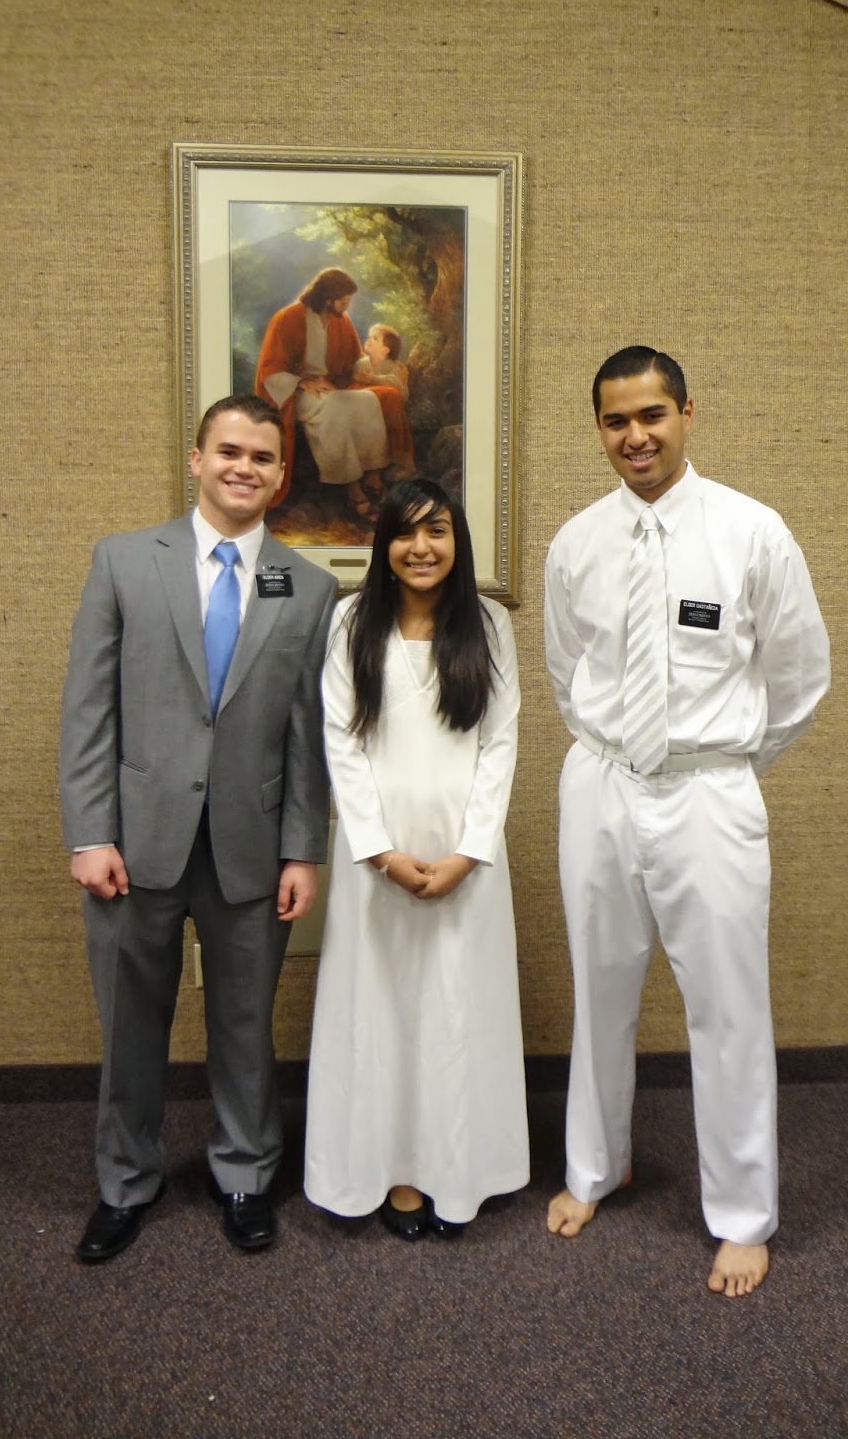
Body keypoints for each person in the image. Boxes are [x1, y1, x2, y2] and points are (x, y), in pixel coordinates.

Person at [543, 345, 830, 1298]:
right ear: (599, 429)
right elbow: (567, 675)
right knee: (600, 990)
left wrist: (723, 766)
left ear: (687, 413)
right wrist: (619, 756)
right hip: (601, 785)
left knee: (728, 1006)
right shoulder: (577, 542)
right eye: (616, 420)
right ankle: (595, 1167)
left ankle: (743, 1217)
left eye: (652, 415)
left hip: (709, 790)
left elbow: (799, 680)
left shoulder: (752, 532)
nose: (636, 436)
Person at [60, 392, 337, 1263]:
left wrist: (304, 850)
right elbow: (89, 711)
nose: (243, 468)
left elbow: (308, 737)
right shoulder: (122, 562)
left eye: (262, 457)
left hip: (251, 849)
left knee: (246, 1026)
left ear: (281, 475)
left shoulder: (311, 587)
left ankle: (245, 1174)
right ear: (197, 459)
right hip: (133, 845)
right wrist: (90, 834)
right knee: (130, 1027)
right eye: (229, 452)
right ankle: (124, 1181)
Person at [303, 477, 528, 1239]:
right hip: (379, 859)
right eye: (405, 532)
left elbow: (500, 744)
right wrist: (378, 852)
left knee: (458, 1015)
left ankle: (455, 1172)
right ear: (384, 545)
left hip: (467, 859)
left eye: (437, 531)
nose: (421, 547)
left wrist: (470, 851)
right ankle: (394, 1171)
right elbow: (341, 741)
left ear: (458, 541)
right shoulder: (349, 622)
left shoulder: (490, 625)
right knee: (383, 1015)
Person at [256, 268, 414, 517]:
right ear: (327, 297)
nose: (347, 306)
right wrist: (302, 382)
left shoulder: (341, 320)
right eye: (343, 301)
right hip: (295, 394)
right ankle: (353, 489)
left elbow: (355, 360)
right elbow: (270, 370)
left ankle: (373, 475)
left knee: (369, 401)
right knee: (335, 408)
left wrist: (383, 366)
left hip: (330, 388)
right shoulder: (289, 317)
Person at [353, 323, 410, 397]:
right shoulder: (362, 363)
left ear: (385, 350)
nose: (369, 340)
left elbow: (397, 384)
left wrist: (373, 379)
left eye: (375, 338)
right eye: (369, 337)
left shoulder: (393, 366)